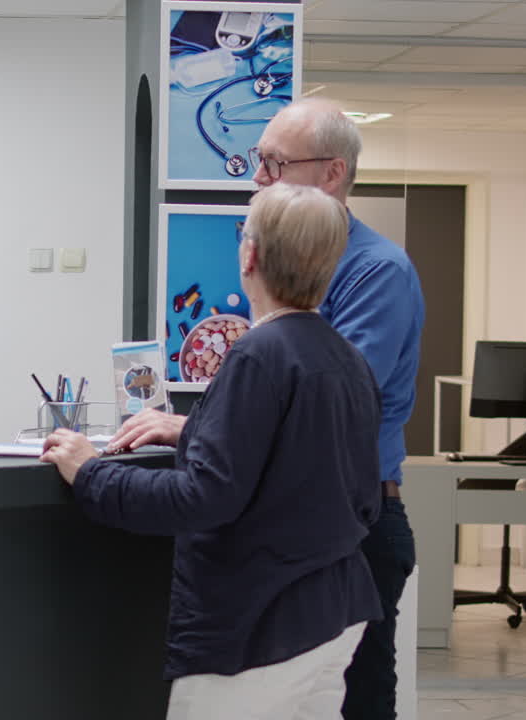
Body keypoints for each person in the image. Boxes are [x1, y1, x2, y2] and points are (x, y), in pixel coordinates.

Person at [111, 98, 424, 720]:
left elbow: (325, 406)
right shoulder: (277, 337)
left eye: (276, 164)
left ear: (333, 173)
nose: (258, 177)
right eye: (259, 162)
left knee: (356, 700)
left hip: (351, 525)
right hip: (300, 524)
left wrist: (192, 428)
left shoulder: (374, 274)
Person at [42, 183, 383, 720]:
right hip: (333, 614)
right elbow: (332, 476)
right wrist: (198, 429)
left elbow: (200, 498)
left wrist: (90, 473)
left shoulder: (257, 355)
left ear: (249, 255)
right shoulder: (344, 358)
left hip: (261, 626)